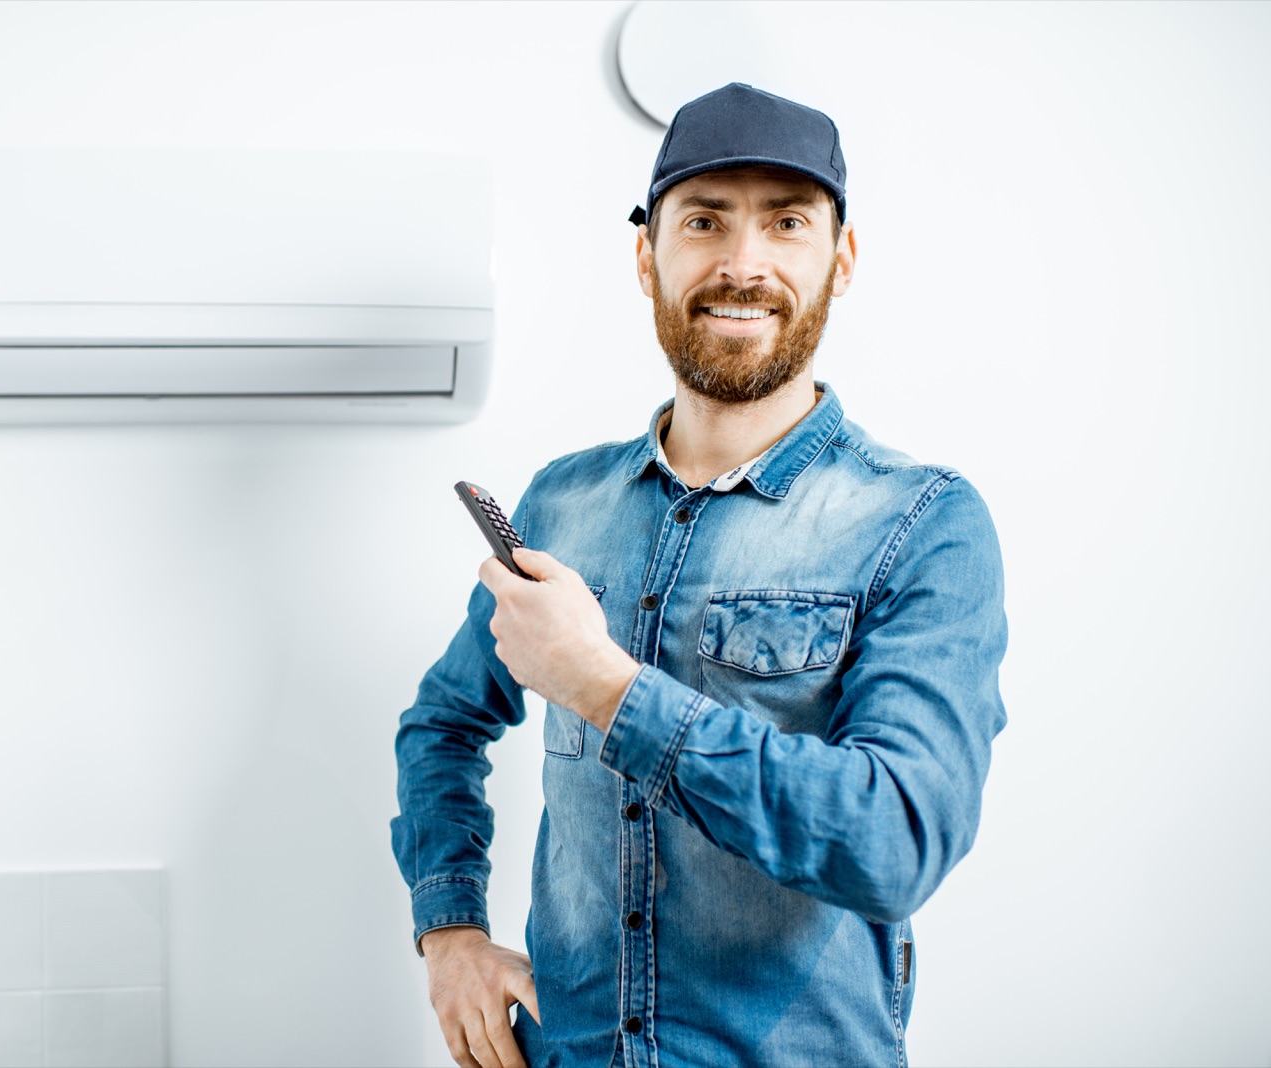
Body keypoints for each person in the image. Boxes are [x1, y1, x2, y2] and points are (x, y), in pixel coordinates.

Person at [391, 82, 1008, 1068]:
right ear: (647, 255)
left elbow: (893, 842)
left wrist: (603, 686)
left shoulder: (921, 523)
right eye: (705, 220)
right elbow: (443, 724)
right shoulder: (562, 504)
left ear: (838, 260)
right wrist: (449, 934)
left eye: (786, 222)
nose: (742, 262)